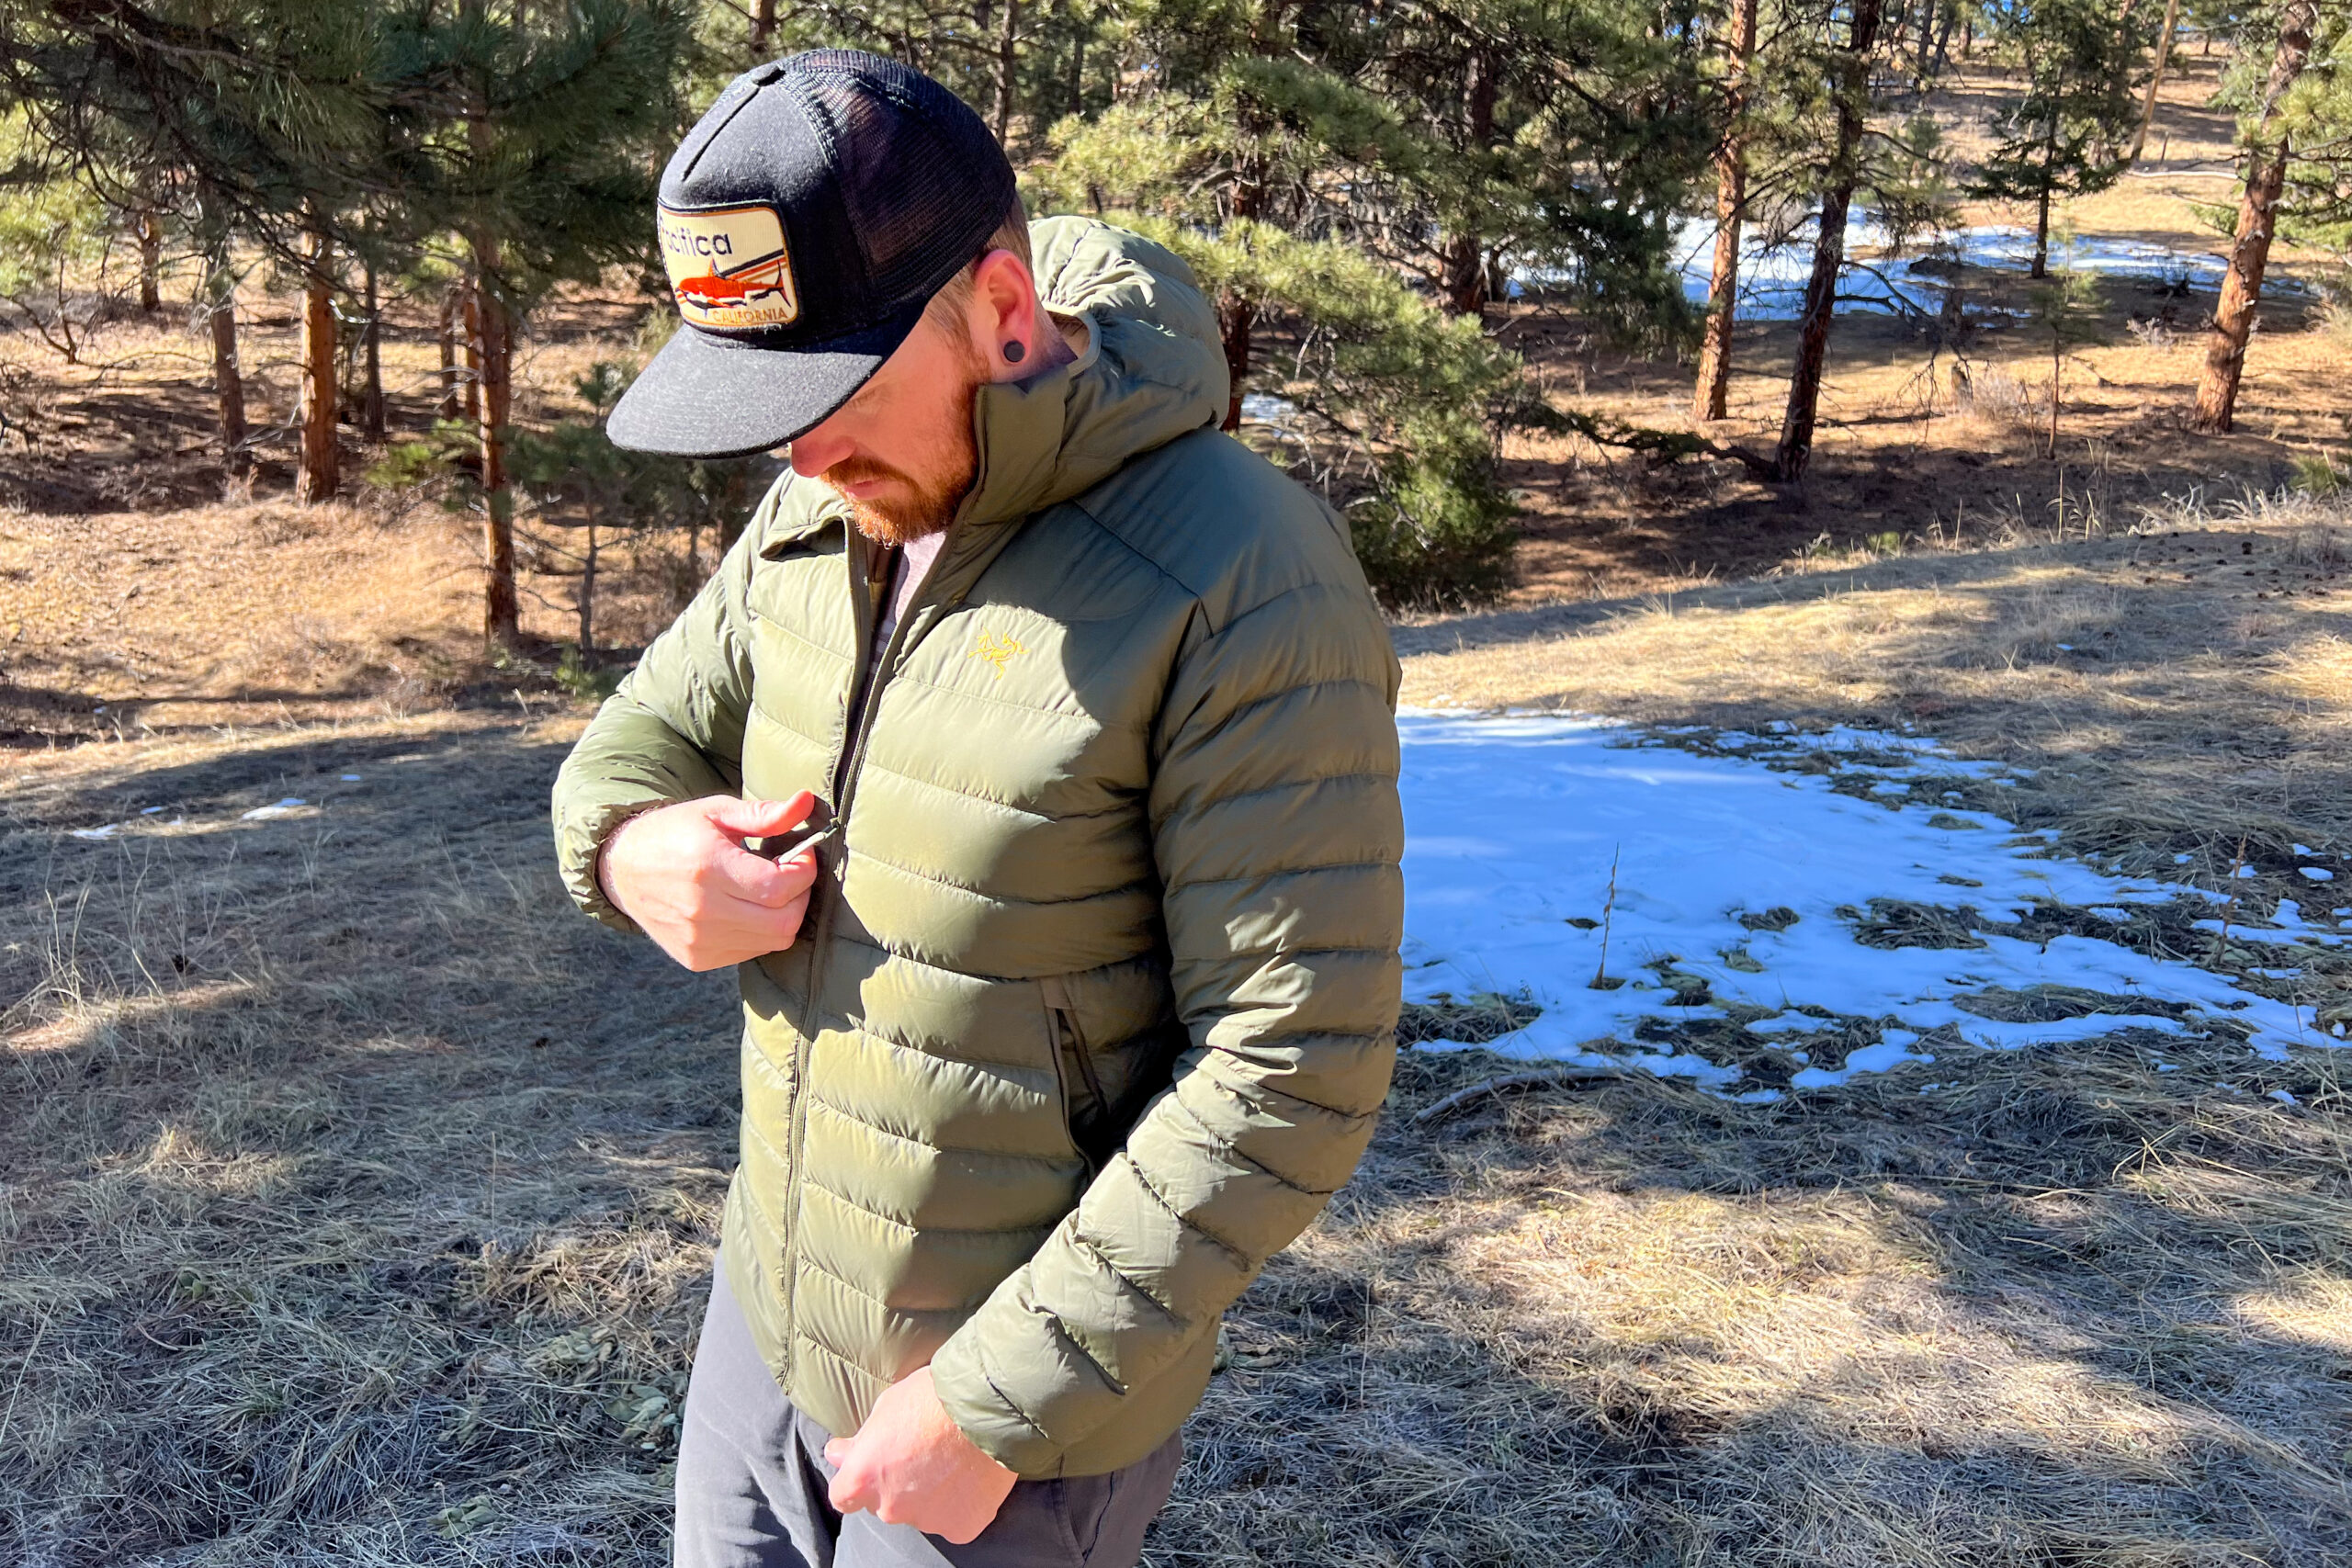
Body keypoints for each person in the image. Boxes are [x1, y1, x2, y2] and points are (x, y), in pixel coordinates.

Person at [550, 48, 1404, 1568]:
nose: (797, 453)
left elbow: (1294, 1065)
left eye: (835, 394)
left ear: (1004, 315)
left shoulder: (1239, 570)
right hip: (770, 1314)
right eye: (767, 403)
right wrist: (627, 850)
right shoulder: (825, 497)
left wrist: (991, 1410)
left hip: (1011, 1421)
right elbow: (637, 738)